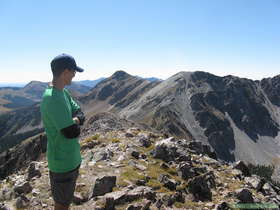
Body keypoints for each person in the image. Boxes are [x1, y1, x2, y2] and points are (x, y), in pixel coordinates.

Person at [40, 54, 85, 210]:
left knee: (65, 200)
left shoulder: (63, 92)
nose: (74, 75)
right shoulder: (53, 98)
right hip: (62, 163)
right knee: (62, 204)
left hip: (70, 159)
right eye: (73, 71)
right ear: (66, 71)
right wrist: (76, 121)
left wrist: (76, 119)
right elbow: (71, 132)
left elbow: (79, 112)